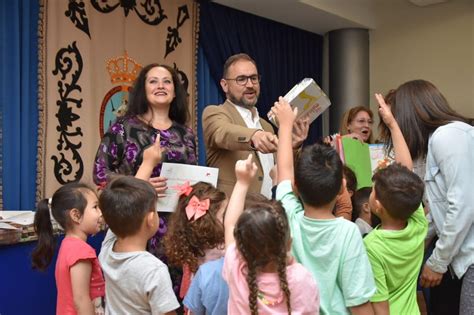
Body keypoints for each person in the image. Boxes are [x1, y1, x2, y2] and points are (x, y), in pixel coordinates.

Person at [92, 63, 197, 294]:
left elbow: (193, 175)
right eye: (153, 81)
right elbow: (100, 173)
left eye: (167, 81)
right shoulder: (123, 128)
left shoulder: (186, 134)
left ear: (175, 90)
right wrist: (140, 185)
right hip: (136, 223)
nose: (161, 85)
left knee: (174, 295)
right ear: (143, 89)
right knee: (139, 295)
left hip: (178, 227)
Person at [378, 79, 474, 314]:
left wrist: (437, 262)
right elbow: (437, 214)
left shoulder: (449, 135)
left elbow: (462, 206)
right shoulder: (432, 144)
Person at [272, 98, 375, 315]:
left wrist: (285, 125)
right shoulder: (348, 232)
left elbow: (284, 170)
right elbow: (359, 303)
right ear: (341, 189)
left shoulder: (289, 216)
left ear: (296, 187)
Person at [223, 154, 319, 314]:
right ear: (289, 243)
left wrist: (242, 182)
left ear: (241, 246)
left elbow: (230, 225)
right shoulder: (300, 279)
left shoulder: (237, 270)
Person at [202, 53, 308, 198]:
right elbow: (223, 133)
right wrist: (254, 136)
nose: (250, 85)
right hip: (232, 213)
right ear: (225, 85)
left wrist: (292, 145)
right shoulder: (215, 113)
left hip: (269, 212)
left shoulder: (266, 125)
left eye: (253, 78)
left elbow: (281, 171)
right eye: (241, 79)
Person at [98, 176, 180, 315]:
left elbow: (117, 212)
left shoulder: (107, 248)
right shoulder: (154, 269)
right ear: (150, 219)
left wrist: (148, 163)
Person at [32, 183, 105, 315]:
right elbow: (81, 300)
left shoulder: (68, 244)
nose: (100, 213)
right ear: (76, 215)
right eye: (95, 207)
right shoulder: (81, 252)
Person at [364, 163, 426, 314]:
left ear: (378, 206)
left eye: (372, 191)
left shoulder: (371, 246)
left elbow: (380, 303)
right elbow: (408, 179)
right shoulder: (419, 225)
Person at [163, 181, 227, 298]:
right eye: (223, 215)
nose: (228, 218)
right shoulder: (220, 248)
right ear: (208, 221)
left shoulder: (190, 241)